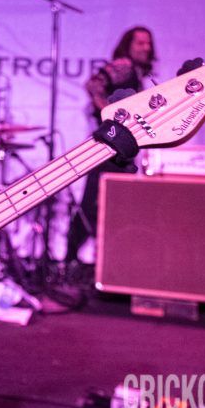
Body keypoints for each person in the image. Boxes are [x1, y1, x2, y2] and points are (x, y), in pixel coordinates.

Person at [67, 26, 156, 264]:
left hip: (118, 149)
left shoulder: (135, 71)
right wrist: (110, 113)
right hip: (108, 147)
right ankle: (70, 259)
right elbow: (93, 85)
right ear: (128, 45)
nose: (146, 48)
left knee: (106, 205)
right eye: (140, 43)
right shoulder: (124, 65)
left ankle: (87, 260)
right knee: (93, 204)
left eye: (148, 43)